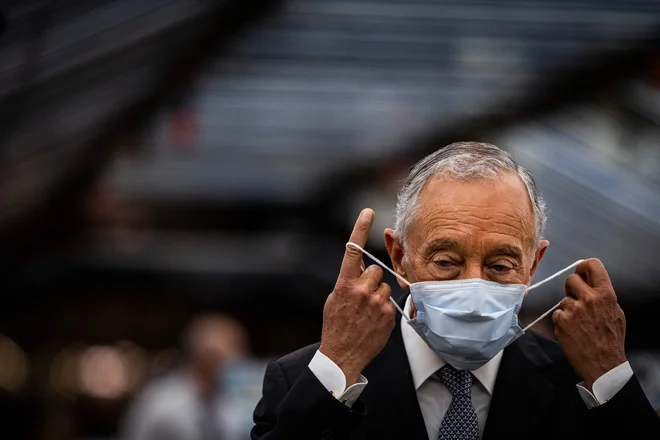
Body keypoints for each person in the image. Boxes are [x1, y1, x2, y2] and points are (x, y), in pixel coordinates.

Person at [251, 142, 660, 440]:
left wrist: (610, 376)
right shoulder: (308, 381)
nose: (473, 285)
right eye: (446, 262)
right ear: (398, 257)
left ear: (533, 266)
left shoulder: (583, 386)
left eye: (500, 266)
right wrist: (335, 368)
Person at [120, 312, 249, 440]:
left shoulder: (236, 403)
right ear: (200, 356)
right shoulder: (160, 400)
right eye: (220, 356)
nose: (232, 362)